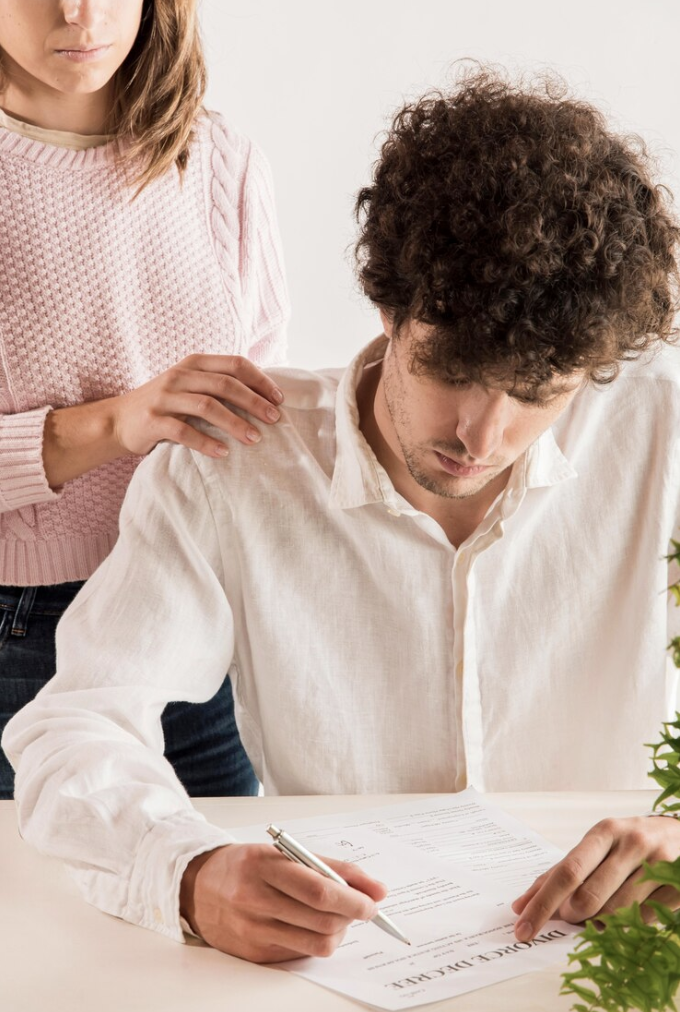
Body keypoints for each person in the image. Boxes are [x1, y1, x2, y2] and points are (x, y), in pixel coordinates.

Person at [4, 70, 680, 965]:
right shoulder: (233, 465)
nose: (482, 434)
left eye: (535, 394)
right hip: (350, 969)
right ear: (389, 304)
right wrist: (189, 872)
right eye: (451, 371)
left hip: (619, 963)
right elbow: (74, 726)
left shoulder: (661, 440)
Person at [0, 0, 290, 799]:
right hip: (29, 625)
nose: (77, 13)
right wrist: (119, 422)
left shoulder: (219, 158)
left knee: (230, 885)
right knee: (48, 907)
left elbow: (261, 406)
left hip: (193, 606)